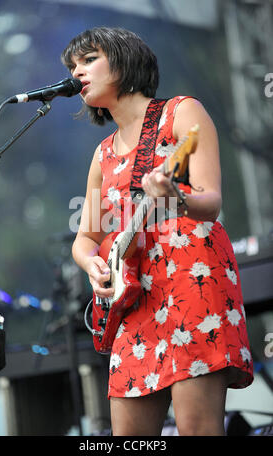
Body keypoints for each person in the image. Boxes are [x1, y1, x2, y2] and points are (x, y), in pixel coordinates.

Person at [61, 26, 253, 436]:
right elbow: (86, 238)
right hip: (134, 303)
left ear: (124, 59)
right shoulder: (103, 153)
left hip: (191, 281)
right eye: (73, 66)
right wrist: (93, 265)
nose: (77, 72)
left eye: (88, 60)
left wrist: (175, 197)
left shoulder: (182, 113)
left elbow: (211, 201)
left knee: (198, 429)